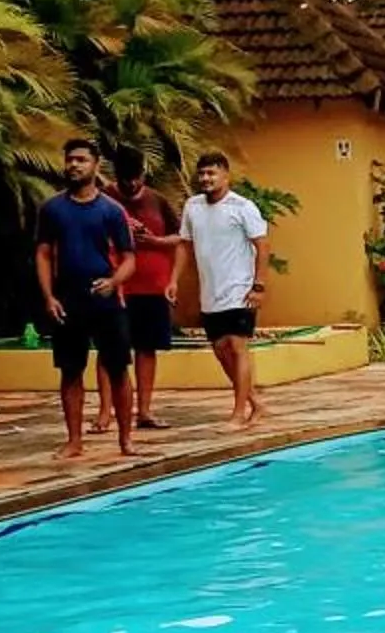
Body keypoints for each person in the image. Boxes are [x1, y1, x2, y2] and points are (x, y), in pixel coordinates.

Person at [33, 136, 138, 462]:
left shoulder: (111, 210)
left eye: (81, 159)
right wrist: (49, 296)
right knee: (70, 370)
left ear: (95, 165)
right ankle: (74, 440)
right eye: (70, 159)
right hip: (68, 299)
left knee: (119, 368)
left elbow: (129, 257)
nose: (74, 165)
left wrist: (114, 280)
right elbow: (44, 254)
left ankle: (125, 439)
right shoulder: (52, 209)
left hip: (105, 301)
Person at [181, 151, 269, 427]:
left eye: (212, 173)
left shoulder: (243, 207)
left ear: (225, 176)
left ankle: (238, 413)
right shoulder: (192, 207)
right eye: (202, 173)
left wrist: (259, 285)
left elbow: (262, 246)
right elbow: (184, 244)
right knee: (220, 350)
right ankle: (255, 403)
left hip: (239, 289)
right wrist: (173, 279)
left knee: (237, 346)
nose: (206, 178)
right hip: (211, 293)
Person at [102, 145, 181, 437]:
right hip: (118, 285)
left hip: (152, 286)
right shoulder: (105, 199)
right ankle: (105, 412)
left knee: (147, 348)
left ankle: (144, 411)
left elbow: (179, 238)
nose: (132, 185)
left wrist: (153, 241)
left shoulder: (158, 200)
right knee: (111, 349)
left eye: (136, 178)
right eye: (126, 179)